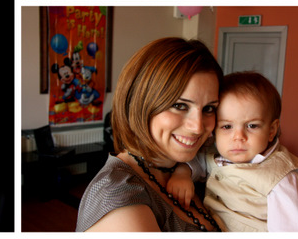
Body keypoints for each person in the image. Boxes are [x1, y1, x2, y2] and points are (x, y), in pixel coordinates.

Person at [76, 37, 224, 232]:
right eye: (180, 106)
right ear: (140, 103)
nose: (197, 127)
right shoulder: (120, 197)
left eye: (209, 109)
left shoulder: (194, 168)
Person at [166, 71, 298, 231]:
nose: (238, 137)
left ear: (271, 130)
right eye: (227, 126)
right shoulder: (215, 153)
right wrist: (182, 174)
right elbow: (197, 163)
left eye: (252, 126)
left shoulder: (281, 178)